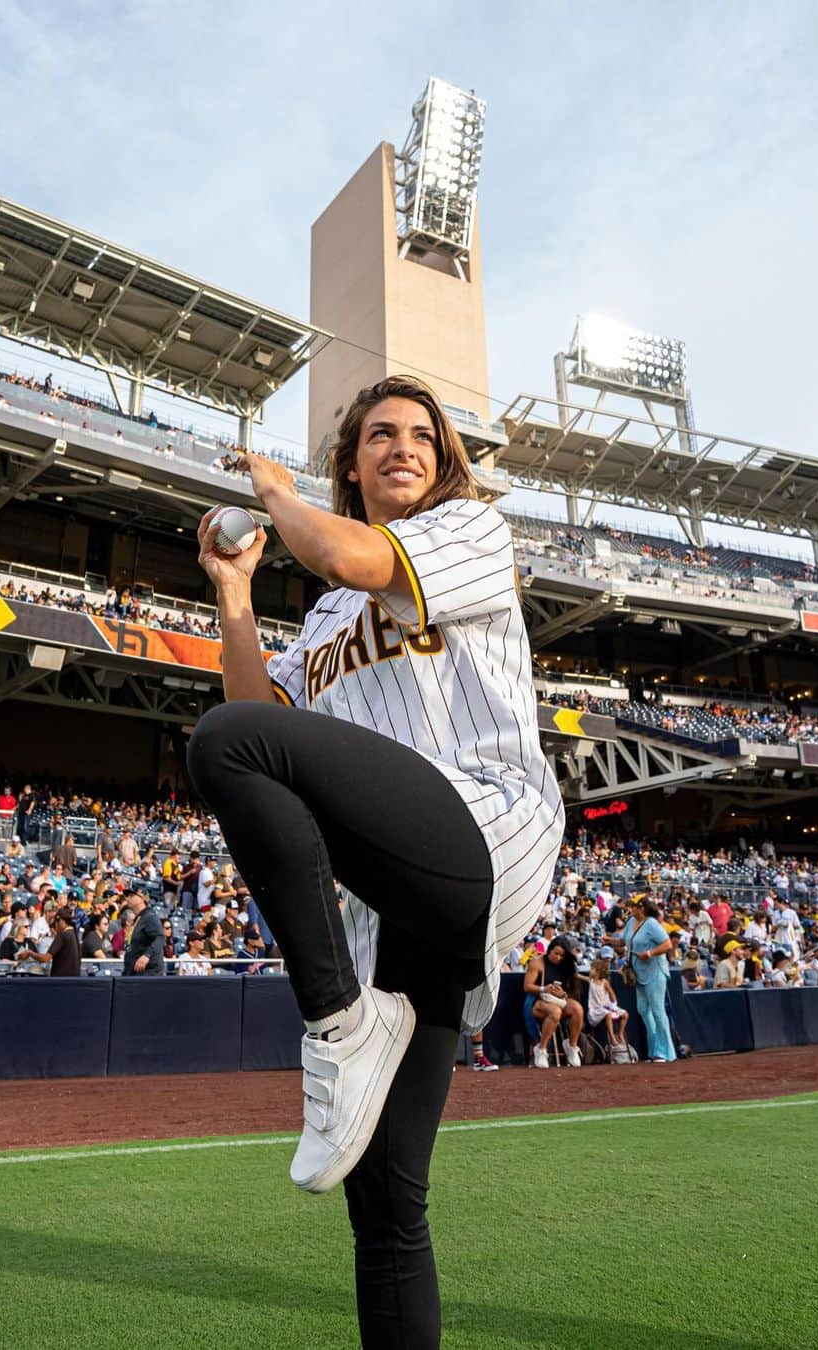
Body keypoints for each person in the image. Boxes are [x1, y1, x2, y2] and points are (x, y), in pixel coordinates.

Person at [185, 375, 564, 1347]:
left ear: (443, 463)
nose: (404, 447)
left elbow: (352, 556)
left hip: (486, 825)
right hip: (391, 909)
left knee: (221, 743)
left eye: (423, 437)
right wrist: (235, 594)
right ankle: (358, 1020)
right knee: (387, 1205)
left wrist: (275, 492)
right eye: (381, 435)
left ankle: (339, 1022)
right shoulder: (317, 626)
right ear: (352, 461)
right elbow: (262, 723)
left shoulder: (469, 531)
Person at [611, 897, 676, 1062]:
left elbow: (667, 944)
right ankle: (654, 1050)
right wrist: (610, 940)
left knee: (657, 1010)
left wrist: (649, 953)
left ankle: (665, 1052)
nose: (630, 909)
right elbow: (624, 941)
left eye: (633, 906)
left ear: (641, 908)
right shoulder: (632, 921)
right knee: (643, 1010)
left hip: (654, 971)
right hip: (638, 972)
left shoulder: (652, 924)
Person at [523, 937, 584, 1067]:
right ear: (549, 950)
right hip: (538, 1002)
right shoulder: (537, 962)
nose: (558, 957)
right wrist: (544, 988)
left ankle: (572, 1046)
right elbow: (527, 986)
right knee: (555, 1012)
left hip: (559, 1001)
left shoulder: (566, 965)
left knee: (577, 1009)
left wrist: (562, 994)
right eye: (556, 953)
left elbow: (571, 993)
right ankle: (541, 1049)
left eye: (562, 955)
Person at [15, 906, 81, 975]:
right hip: (74, 980)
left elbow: (46, 958)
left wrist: (30, 953)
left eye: (55, 922)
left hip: (61, 980)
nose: (55, 926)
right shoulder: (74, 934)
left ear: (61, 921)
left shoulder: (62, 935)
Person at [586, 956, 629, 1050]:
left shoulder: (604, 982)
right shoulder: (591, 981)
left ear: (598, 971)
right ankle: (612, 1038)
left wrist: (613, 1005)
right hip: (596, 1010)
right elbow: (579, 976)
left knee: (625, 1014)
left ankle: (620, 1033)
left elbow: (612, 994)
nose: (590, 970)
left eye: (592, 968)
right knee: (608, 1015)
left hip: (607, 1006)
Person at [122, 891, 165, 976]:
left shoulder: (149, 916)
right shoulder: (139, 918)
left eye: (131, 895)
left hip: (147, 973)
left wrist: (146, 956)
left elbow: (160, 937)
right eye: (127, 896)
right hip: (133, 972)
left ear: (142, 898)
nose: (127, 898)